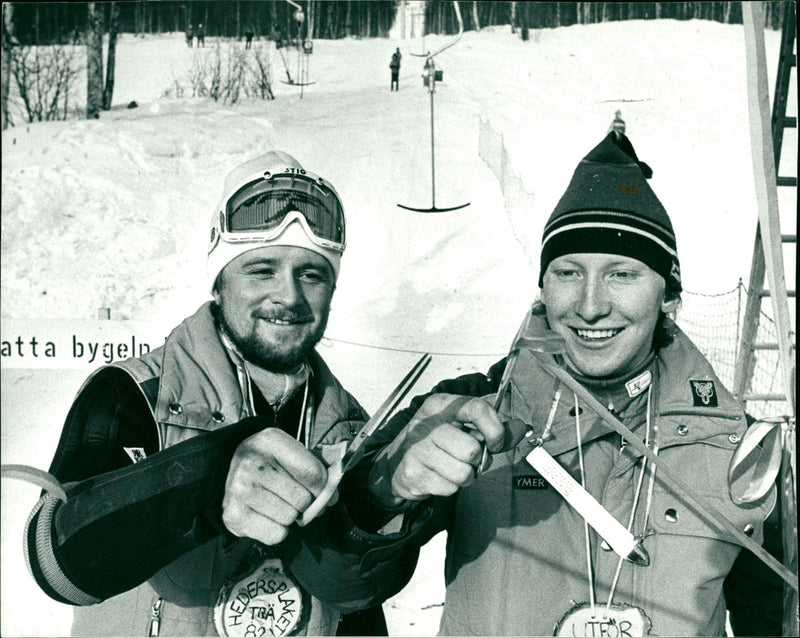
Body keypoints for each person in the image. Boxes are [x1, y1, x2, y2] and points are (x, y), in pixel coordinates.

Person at [312, 131, 783, 635]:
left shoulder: (739, 448)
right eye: (568, 272)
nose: (590, 305)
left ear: (668, 295)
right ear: (543, 287)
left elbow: (773, 618)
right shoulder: (468, 413)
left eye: (622, 274)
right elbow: (341, 584)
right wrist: (387, 491)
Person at [22, 151, 389, 637]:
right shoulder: (133, 395)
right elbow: (57, 559)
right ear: (220, 282)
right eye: (262, 270)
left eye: (312, 273)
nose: (290, 297)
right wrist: (209, 476)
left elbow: (357, 612)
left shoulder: (348, 424)